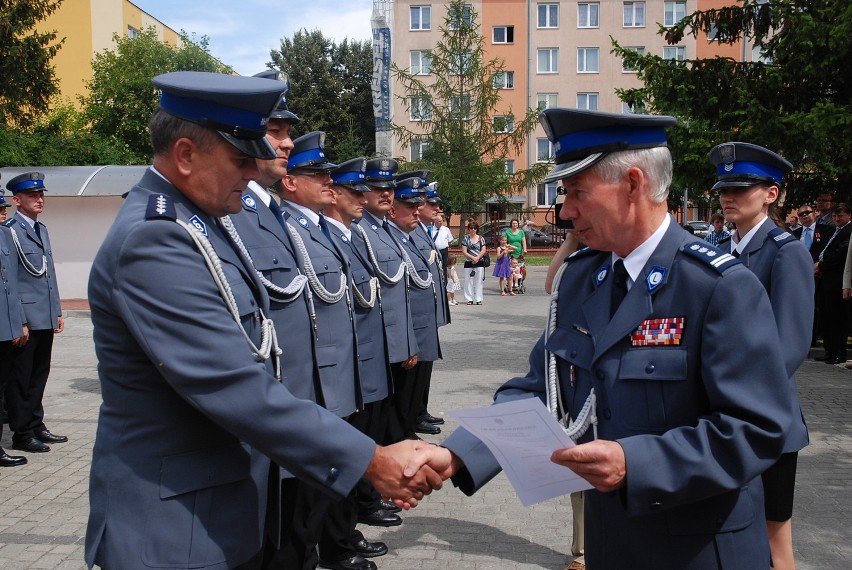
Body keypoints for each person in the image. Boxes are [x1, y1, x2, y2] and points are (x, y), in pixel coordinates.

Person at [84, 71, 441, 570]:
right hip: (175, 530)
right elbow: (231, 383)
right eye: (240, 159)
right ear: (185, 155)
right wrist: (373, 460)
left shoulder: (203, 221)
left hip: (218, 505)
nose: (254, 172)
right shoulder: (157, 238)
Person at [408, 108, 793, 569]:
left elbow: (760, 428)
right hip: (611, 541)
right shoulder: (581, 278)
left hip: (696, 549)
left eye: (576, 193)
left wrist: (637, 462)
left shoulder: (717, 286)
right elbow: (541, 388)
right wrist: (458, 452)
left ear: (633, 185)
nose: (566, 212)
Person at [709, 141, 812, 570]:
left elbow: (789, 346)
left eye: (743, 187)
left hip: (765, 420)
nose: (729, 196)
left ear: (771, 193)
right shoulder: (721, 251)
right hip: (725, 419)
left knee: (774, 541)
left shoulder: (785, 252)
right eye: (724, 188)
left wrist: (735, 395)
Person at [320, 157, 395, 570]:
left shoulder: (347, 237)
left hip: (360, 367)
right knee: (339, 461)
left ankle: (344, 533)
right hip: (338, 372)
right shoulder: (316, 235)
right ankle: (337, 541)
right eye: (355, 191)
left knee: (354, 454)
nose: (364, 198)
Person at [4, 172, 66, 454]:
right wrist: (20, 320)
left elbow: (47, 274)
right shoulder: (12, 231)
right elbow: (11, 279)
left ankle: (36, 424)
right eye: (32, 196)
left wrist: (57, 310)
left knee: (40, 373)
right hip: (27, 318)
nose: (39, 199)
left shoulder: (42, 230)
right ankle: (22, 433)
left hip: (45, 315)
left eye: (41, 195)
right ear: (17, 200)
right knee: (22, 378)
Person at [386, 177, 442, 440]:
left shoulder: (408, 235)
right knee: (405, 387)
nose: (418, 210)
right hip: (410, 327)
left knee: (416, 383)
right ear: (394, 210)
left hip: (421, 323)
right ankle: (406, 428)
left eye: (419, 204)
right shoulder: (392, 237)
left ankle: (411, 422)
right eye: (412, 205)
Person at [0, 182, 28, 468]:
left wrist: (18, 322)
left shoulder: (4, 237)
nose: (2, 214)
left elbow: (11, 287)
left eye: (2, 209)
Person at [814, 203, 852, 364]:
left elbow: (841, 253)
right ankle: (830, 351)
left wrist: (821, 264)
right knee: (827, 317)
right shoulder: (834, 230)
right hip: (826, 278)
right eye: (835, 216)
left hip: (837, 279)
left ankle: (839, 352)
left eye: (840, 216)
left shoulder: (848, 232)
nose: (837, 219)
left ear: (849, 215)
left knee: (837, 318)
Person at [461, 221, 486, 305]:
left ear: (477, 229)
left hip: (479, 262)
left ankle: (478, 299)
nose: (473, 230)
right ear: (468, 229)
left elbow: (483, 250)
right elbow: (464, 251)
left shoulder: (481, 238)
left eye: (475, 228)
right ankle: (469, 299)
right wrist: (472, 258)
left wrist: (477, 258)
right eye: (471, 228)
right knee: (468, 280)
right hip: (469, 262)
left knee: (479, 280)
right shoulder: (465, 239)